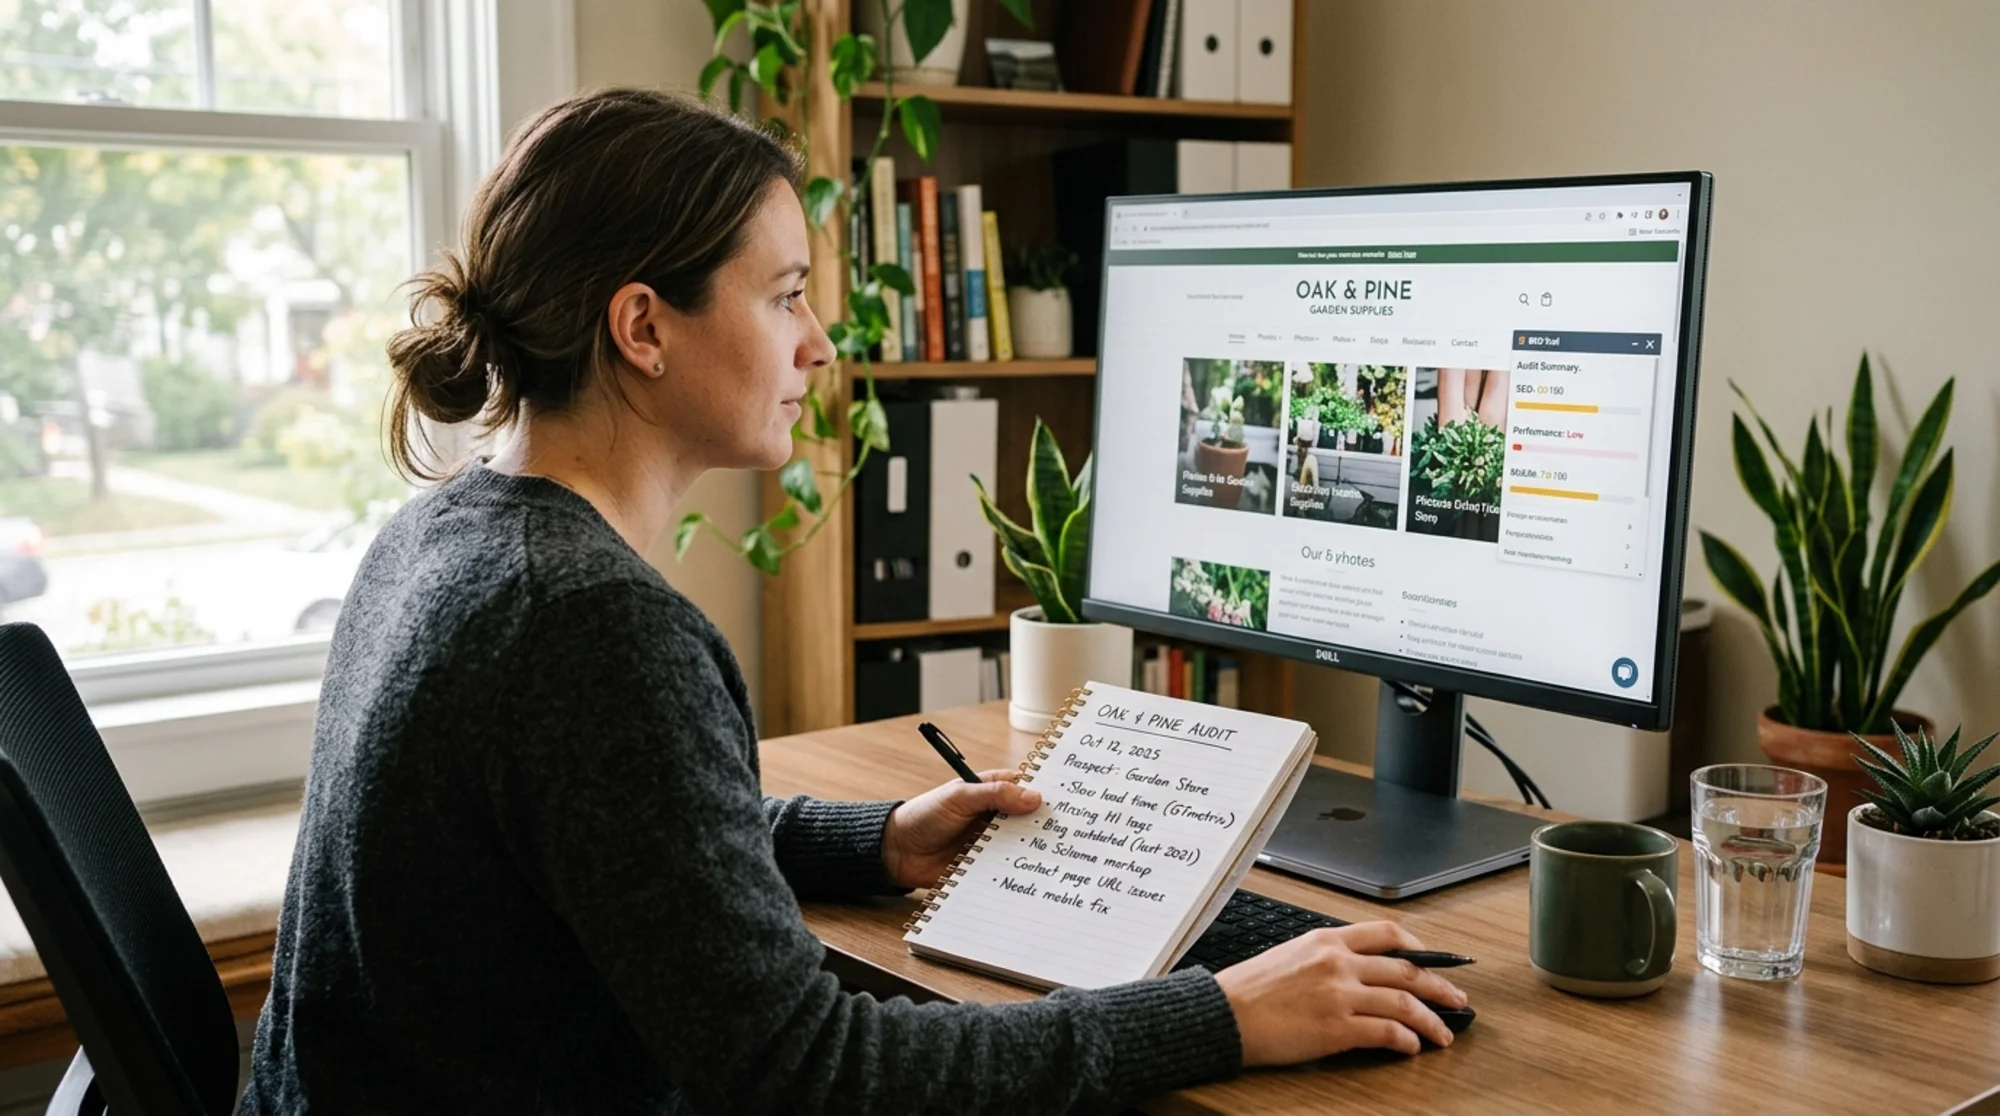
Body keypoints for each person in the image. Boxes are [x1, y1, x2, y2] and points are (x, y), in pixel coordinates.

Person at [237, 87, 1466, 1115]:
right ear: (642, 329)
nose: (818, 344)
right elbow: (809, 1072)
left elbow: (606, 839)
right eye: (783, 297)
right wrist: (1216, 1016)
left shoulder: (446, 531)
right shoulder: (590, 623)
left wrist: (869, 840)